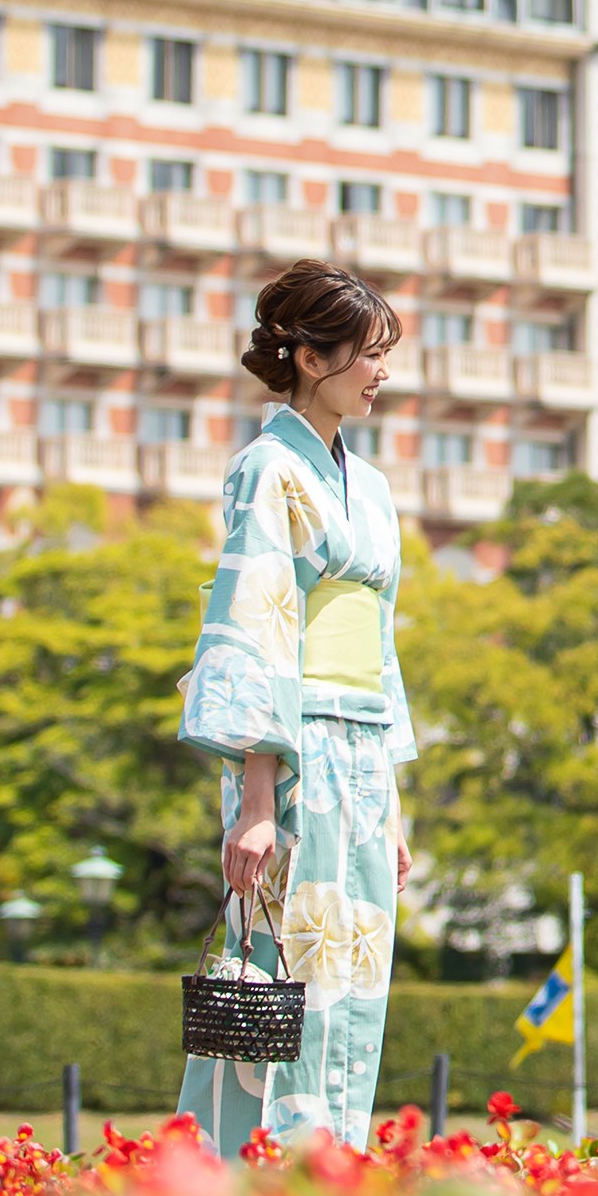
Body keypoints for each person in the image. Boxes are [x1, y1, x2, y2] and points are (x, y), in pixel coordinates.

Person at [174, 260, 415, 1151]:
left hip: (360, 752)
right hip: (297, 750)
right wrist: (258, 800)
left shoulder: (375, 490)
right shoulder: (267, 470)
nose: (382, 371)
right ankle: (257, 1171)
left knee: (353, 970)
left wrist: (392, 799)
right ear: (312, 358)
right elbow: (258, 626)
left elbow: (381, 646)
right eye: (369, 352)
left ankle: (335, 1160)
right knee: (282, 969)